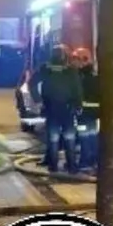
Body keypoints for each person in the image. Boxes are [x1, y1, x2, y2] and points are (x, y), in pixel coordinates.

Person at [29, 44, 83, 173]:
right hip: (67, 108)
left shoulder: (45, 69)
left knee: (53, 138)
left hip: (51, 107)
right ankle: (72, 167)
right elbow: (78, 90)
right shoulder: (70, 71)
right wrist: (78, 105)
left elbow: (32, 83)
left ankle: (53, 167)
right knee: (69, 138)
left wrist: (38, 100)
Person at [72, 47, 99, 169]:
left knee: (84, 136)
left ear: (84, 60)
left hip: (84, 111)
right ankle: (93, 160)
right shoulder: (94, 75)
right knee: (92, 135)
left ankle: (85, 162)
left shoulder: (80, 77)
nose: (74, 62)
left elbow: (78, 94)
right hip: (94, 111)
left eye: (76, 59)